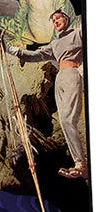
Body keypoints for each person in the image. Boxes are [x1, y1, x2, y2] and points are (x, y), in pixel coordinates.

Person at [16, 9, 87, 179]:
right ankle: (80, 164)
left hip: (72, 73)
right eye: (53, 20)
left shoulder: (78, 33)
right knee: (64, 121)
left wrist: (82, 70)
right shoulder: (55, 44)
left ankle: (82, 164)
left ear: (66, 18)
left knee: (69, 120)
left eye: (58, 18)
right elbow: (34, 55)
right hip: (60, 78)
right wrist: (12, 50)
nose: (56, 21)